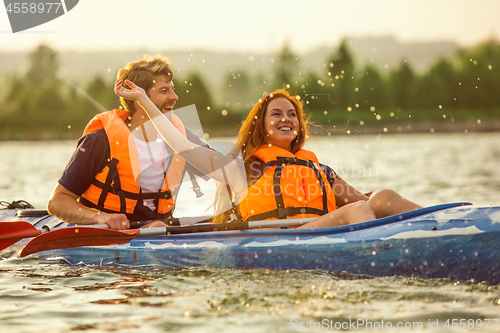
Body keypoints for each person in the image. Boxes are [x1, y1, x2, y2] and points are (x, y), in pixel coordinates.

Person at [212, 89, 422, 228]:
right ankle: (376, 255)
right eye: (276, 114)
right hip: (280, 240)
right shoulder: (246, 167)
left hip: (320, 233)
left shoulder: (320, 170)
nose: (286, 118)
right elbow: (199, 158)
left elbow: (371, 205)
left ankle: (441, 225)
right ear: (261, 125)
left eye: (292, 114)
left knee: (384, 197)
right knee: (357, 210)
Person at [48, 55, 210, 230]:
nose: (174, 97)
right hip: (104, 235)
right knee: (154, 227)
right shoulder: (100, 141)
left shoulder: (182, 138)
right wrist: (100, 217)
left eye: (172, 89)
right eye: (164, 91)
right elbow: (57, 202)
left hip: (158, 232)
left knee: (156, 226)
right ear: (138, 98)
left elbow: (223, 173)